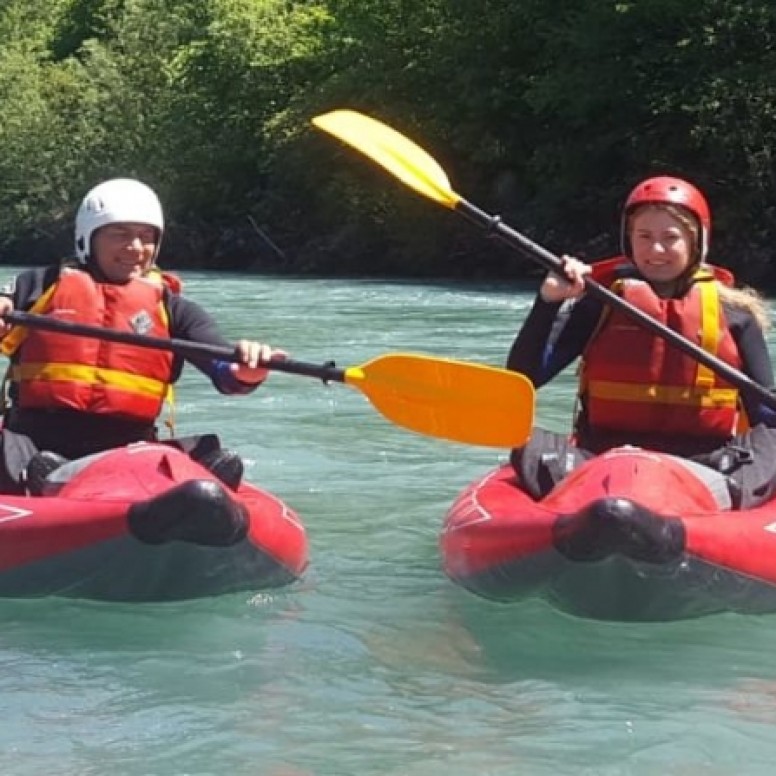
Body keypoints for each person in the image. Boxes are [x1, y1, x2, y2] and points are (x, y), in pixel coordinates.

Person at [0, 177, 285, 495]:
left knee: (203, 452)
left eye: (146, 236)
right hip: (36, 439)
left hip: (125, 449)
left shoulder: (174, 309)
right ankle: (49, 480)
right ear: (87, 238)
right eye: (119, 234)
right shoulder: (39, 286)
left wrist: (248, 371)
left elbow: (224, 371)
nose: (135, 248)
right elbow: (4, 303)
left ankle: (75, 482)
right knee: (12, 453)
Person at [507, 175, 776, 508]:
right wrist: (548, 302)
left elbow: (766, 415)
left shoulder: (735, 315)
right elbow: (522, 378)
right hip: (600, 460)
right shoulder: (600, 304)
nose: (656, 250)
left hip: (706, 467)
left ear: (696, 244)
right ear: (628, 241)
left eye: (670, 238)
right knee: (524, 440)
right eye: (644, 236)